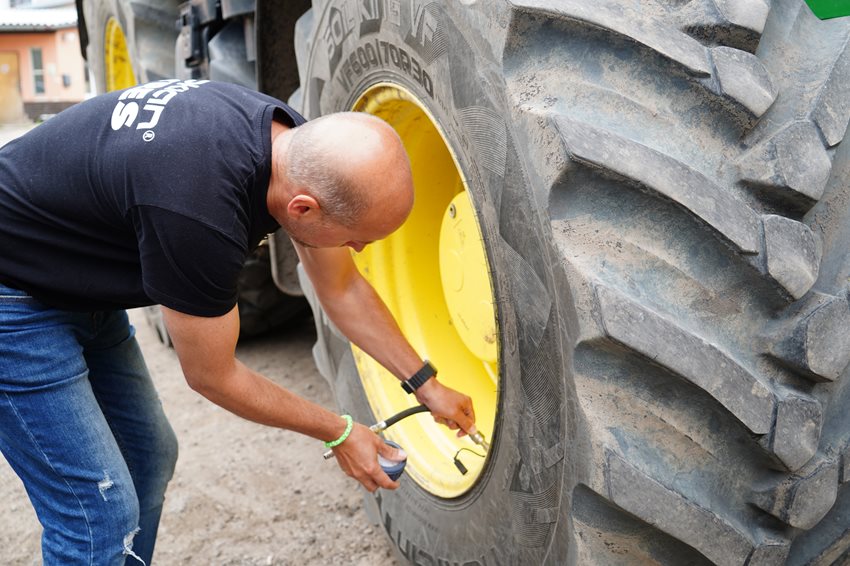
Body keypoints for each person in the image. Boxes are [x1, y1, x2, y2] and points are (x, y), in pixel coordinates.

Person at [0, 78, 477, 565]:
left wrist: (423, 382)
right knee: (96, 515)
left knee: (148, 457)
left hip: (71, 275)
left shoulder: (296, 146)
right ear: (303, 209)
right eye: (357, 240)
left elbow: (342, 288)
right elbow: (213, 376)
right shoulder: (199, 212)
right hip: (13, 298)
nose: (356, 251)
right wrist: (337, 431)